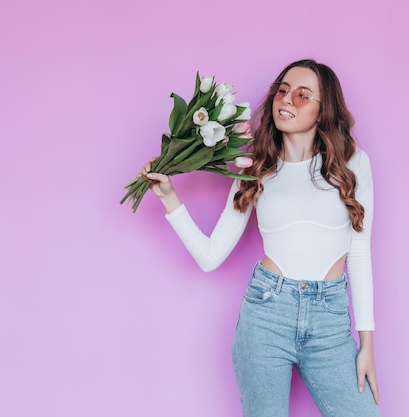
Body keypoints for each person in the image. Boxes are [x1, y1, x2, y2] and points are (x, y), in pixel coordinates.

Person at [140, 59, 380, 417]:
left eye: (302, 95)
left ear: (322, 109)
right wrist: (170, 198)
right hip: (267, 313)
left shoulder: (352, 163)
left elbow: (359, 251)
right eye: (282, 91)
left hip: (329, 319)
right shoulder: (256, 168)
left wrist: (367, 345)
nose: (286, 100)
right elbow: (210, 256)